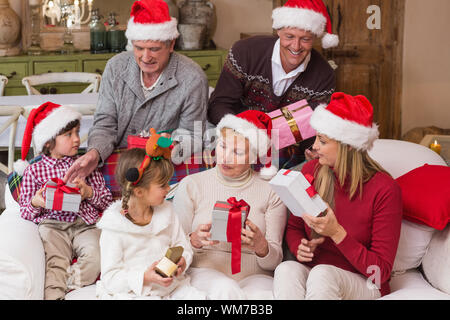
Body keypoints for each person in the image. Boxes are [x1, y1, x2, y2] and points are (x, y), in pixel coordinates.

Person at [273, 92, 403, 300]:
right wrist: (300, 247)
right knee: (287, 269)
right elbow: (295, 226)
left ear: (348, 145)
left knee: (323, 274)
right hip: (317, 274)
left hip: (365, 282)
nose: (314, 146)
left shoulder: (385, 190)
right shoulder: (311, 171)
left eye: (322, 141)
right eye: (316, 138)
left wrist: (337, 233)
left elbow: (380, 272)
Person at [64, 0, 209, 185]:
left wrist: (172, 145)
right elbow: (105, 123)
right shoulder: (115, 67)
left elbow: (192, 134)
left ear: (171, 44)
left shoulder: (193, 77)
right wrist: (94, 152)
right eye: (139, 48)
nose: (146, 57)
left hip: (165, 169)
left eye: (154, 49)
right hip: (117, 161)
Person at [207, 0, 338, 169]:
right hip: (235, 136)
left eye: (305, 39)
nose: (296, 47)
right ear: (278, 30)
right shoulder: (245, 52)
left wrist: (312, 149)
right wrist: (243, 132)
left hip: (285, 148)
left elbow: (314, 126)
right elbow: (218, 105)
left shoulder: (323, 75)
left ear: (314, 38)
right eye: (289, 36)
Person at [173, 110, 287, 299]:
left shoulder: (272, 192)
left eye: (237, 152)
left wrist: (261, 246)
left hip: (255, 278)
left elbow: (274, 262)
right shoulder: (192, 185)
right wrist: (194, 240)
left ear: (253, 156)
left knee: (264, 297)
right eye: (222, 146)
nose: (225, 158)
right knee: (224, 289)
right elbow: (172, 245)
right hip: (204, 273)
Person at [15, 102, 113, 300]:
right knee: (55, 262)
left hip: (84, 224)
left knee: (98, 256)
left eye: (77, 132)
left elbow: (107, 201)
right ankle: (54, 295)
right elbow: (24, 210)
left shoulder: (85, 164)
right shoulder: (35, 170)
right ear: (49, 141)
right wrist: (36, 202)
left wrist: (88, 193)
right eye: (69, 134)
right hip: (52, 225)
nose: (77, 139)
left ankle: (68, 283)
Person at [95, 135, 207, 299]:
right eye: (162, 185)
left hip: (172, 288)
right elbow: (110, 278)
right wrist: (144, 277)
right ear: (139, 191)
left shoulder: (167, 212)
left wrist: (183, 260)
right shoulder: (113, 228)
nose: (169, 188)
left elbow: (182, 245)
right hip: (135, 293)